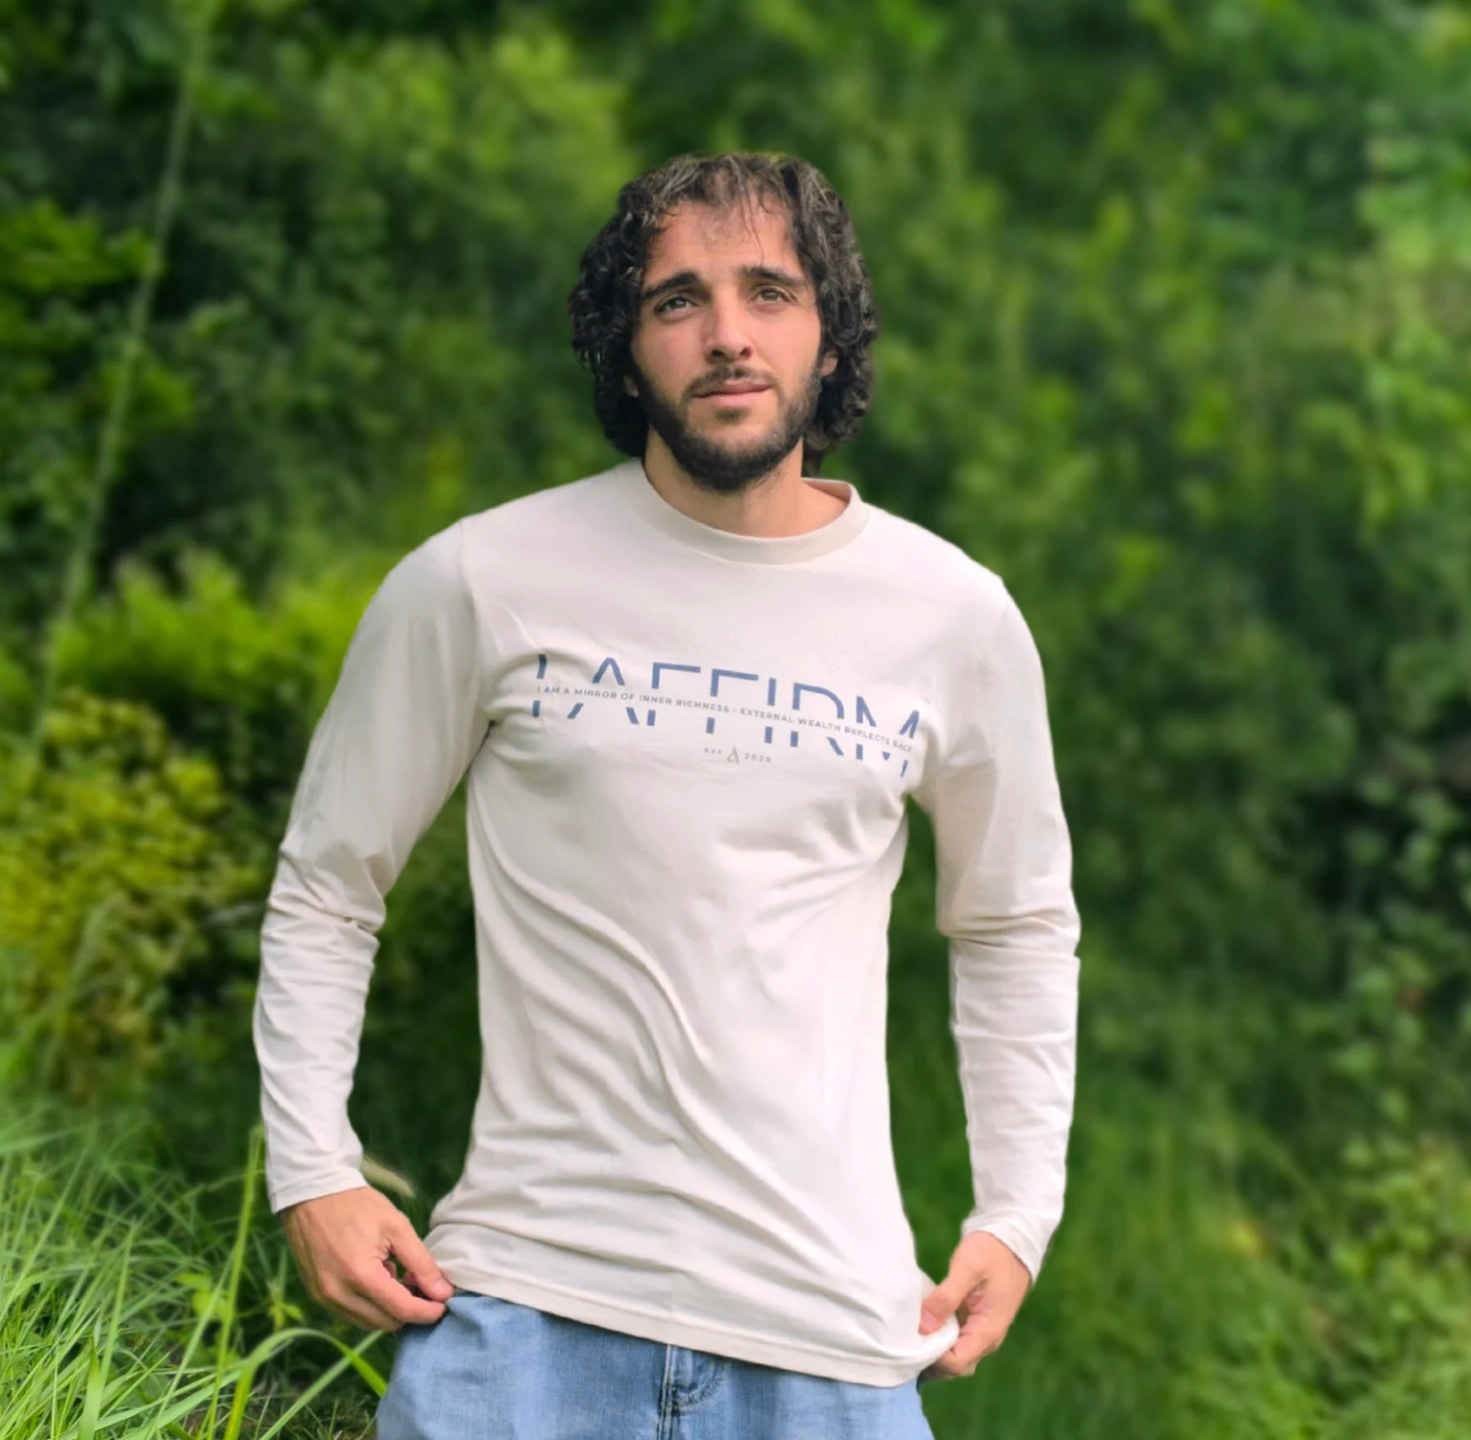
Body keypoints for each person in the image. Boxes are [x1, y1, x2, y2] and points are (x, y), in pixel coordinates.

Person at [253, 150, 1082, 1440]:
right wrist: (312, 1168)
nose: (728, 334)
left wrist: (1018, 1213)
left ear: (830, 333)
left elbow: (1016, 924)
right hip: (520, 1325)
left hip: (832, 1344)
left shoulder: (953, 617)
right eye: (678, 299)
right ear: (627, 350)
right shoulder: (480, 579)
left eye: (769, 291)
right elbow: (327, 881)